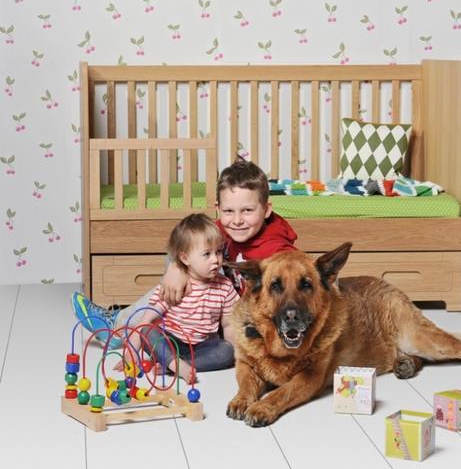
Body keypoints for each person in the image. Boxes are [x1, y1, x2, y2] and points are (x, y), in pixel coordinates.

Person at [73, 157, 297, 349]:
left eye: (247, 210)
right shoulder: (221, 229)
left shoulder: (278, 251)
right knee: (185, 269)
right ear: (218, 209)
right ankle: (120, 325)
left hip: (241, 319)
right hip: (213, 306)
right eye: (229, 211)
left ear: (266, 210)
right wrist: (176, 268)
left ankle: (133, 327)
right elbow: (184, 245)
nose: (237, 220)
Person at [118, 213, 237, 382]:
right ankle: (172, 361)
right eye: (207, 254)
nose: (215, 260)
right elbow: (146, 320)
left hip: (202, 347)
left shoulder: (225, 286)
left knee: (227, 351)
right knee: (148, 331)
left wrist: (236, 354)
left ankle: (171, 365)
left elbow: (229, 324)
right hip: (171, 341)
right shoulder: (176, 284)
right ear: (185, 258)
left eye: (218, 252)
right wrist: (130, 354)